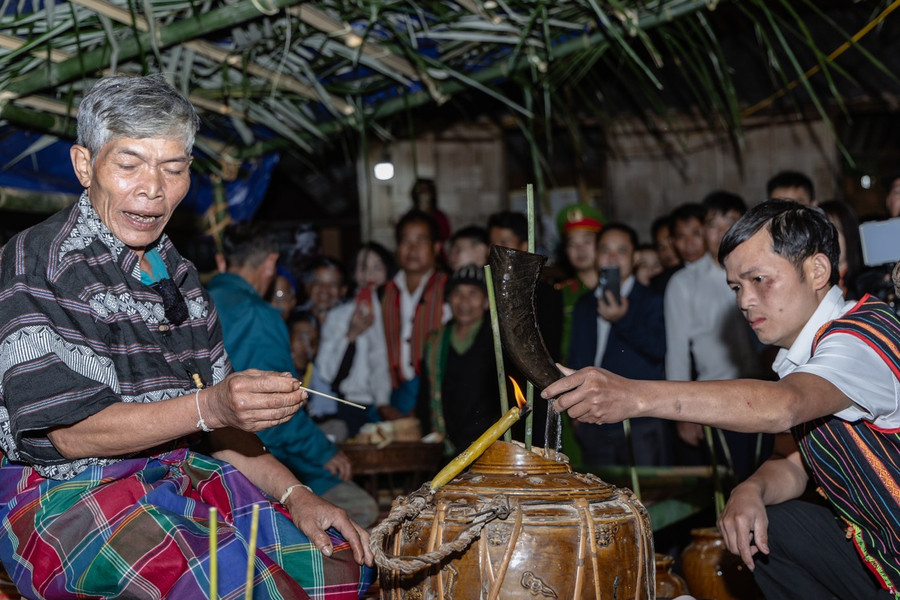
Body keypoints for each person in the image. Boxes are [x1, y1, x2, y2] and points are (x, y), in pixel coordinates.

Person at [0, 74, 372, 599]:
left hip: (175, 479)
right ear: (86, 166)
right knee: (246, 589)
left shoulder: (180, 276)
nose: (153, 188)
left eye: (172, 169)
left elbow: (223, 430)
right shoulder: (39, 261)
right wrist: (211, 407)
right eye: (129, 165)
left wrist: (297, 494)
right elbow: (71, 434)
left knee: (343, 573)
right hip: (68, 500)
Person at [545, 200, 900, 599]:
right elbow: (791, 463)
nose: (745, 301)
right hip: (880, 550)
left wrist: (634, 396)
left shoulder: (862, 336)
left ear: (816, 270)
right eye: (736, 287)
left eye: (759, 280)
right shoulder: (804, 358)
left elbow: (785, 406)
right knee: (765, 523)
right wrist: (750, 490)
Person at [208, 224, 378, 528]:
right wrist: (323, 452)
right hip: (247, 458)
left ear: (223, 261)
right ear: (271, 262)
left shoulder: (199, 301)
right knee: (360, 509)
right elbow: (275, 411)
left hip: (205, 454)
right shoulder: (258, 315)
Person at [665, 196, 764, 481]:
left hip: (767, 390)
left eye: (730, 221)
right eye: (712, 224)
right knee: (733, 485)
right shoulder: (684, 283)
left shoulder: (763, 273)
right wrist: (681, 413)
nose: (722, 231)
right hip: (718, 399)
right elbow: (677, 352)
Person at [567, 223, 669, 466]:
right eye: (605, 250)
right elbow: (577, 357)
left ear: (634, 258)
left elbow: (659, 350)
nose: (612, 256)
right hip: (594, 418)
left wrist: (623, 319)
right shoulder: (585, 303)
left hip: (640, 420)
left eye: (621, 250)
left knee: (646, 495)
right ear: (596, 256)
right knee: (601, 494)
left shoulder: (651, 300)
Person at [486, 210, 563, 451]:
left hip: (539, 395)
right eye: (493, 244)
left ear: (524, 245)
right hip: (500, 392)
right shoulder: (486, 293)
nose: (498, 251)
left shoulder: (547, 296)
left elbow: (546, 349)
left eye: (505, 243)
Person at [418, 264, 501, 453]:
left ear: (487, 301)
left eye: (473, 293)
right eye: (457, 293)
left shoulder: (497, 339)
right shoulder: (436, 342)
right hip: (446, 445)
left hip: (489, 445)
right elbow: (425, 396)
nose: (464, 301)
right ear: (448, 299)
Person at [313, 242, 394, 437]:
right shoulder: (339, 315)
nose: (369, 275)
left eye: (377, 267)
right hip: (351, 404)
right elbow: (327, 371)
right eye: (363, 267)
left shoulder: (393, 313)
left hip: (390, 404)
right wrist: (351, 334)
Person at [382, 210, 450, 419]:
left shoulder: (450, 289)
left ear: (436, 247)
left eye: (421, 240)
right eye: (405, 241)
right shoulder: (383, 293)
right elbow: (374, 352)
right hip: (392, 396)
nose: (412, 249)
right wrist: (382, 403)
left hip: (439, 394)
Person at [554, 203, 606, 364]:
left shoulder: (619, 289)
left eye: (587, 241)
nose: (580, 249)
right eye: (572, 244)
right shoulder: (560, 295)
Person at [820, 199, 864, 300]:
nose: (826, 239)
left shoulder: (867, 283)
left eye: (833, 231)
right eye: (821, 232)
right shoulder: (810, 283)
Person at [301, 256, 348, 325]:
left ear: (343, 290)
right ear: (307, 287)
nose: (325, 289)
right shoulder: (292, 319)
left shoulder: (351, 320)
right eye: (318, 282)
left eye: (333, 284)